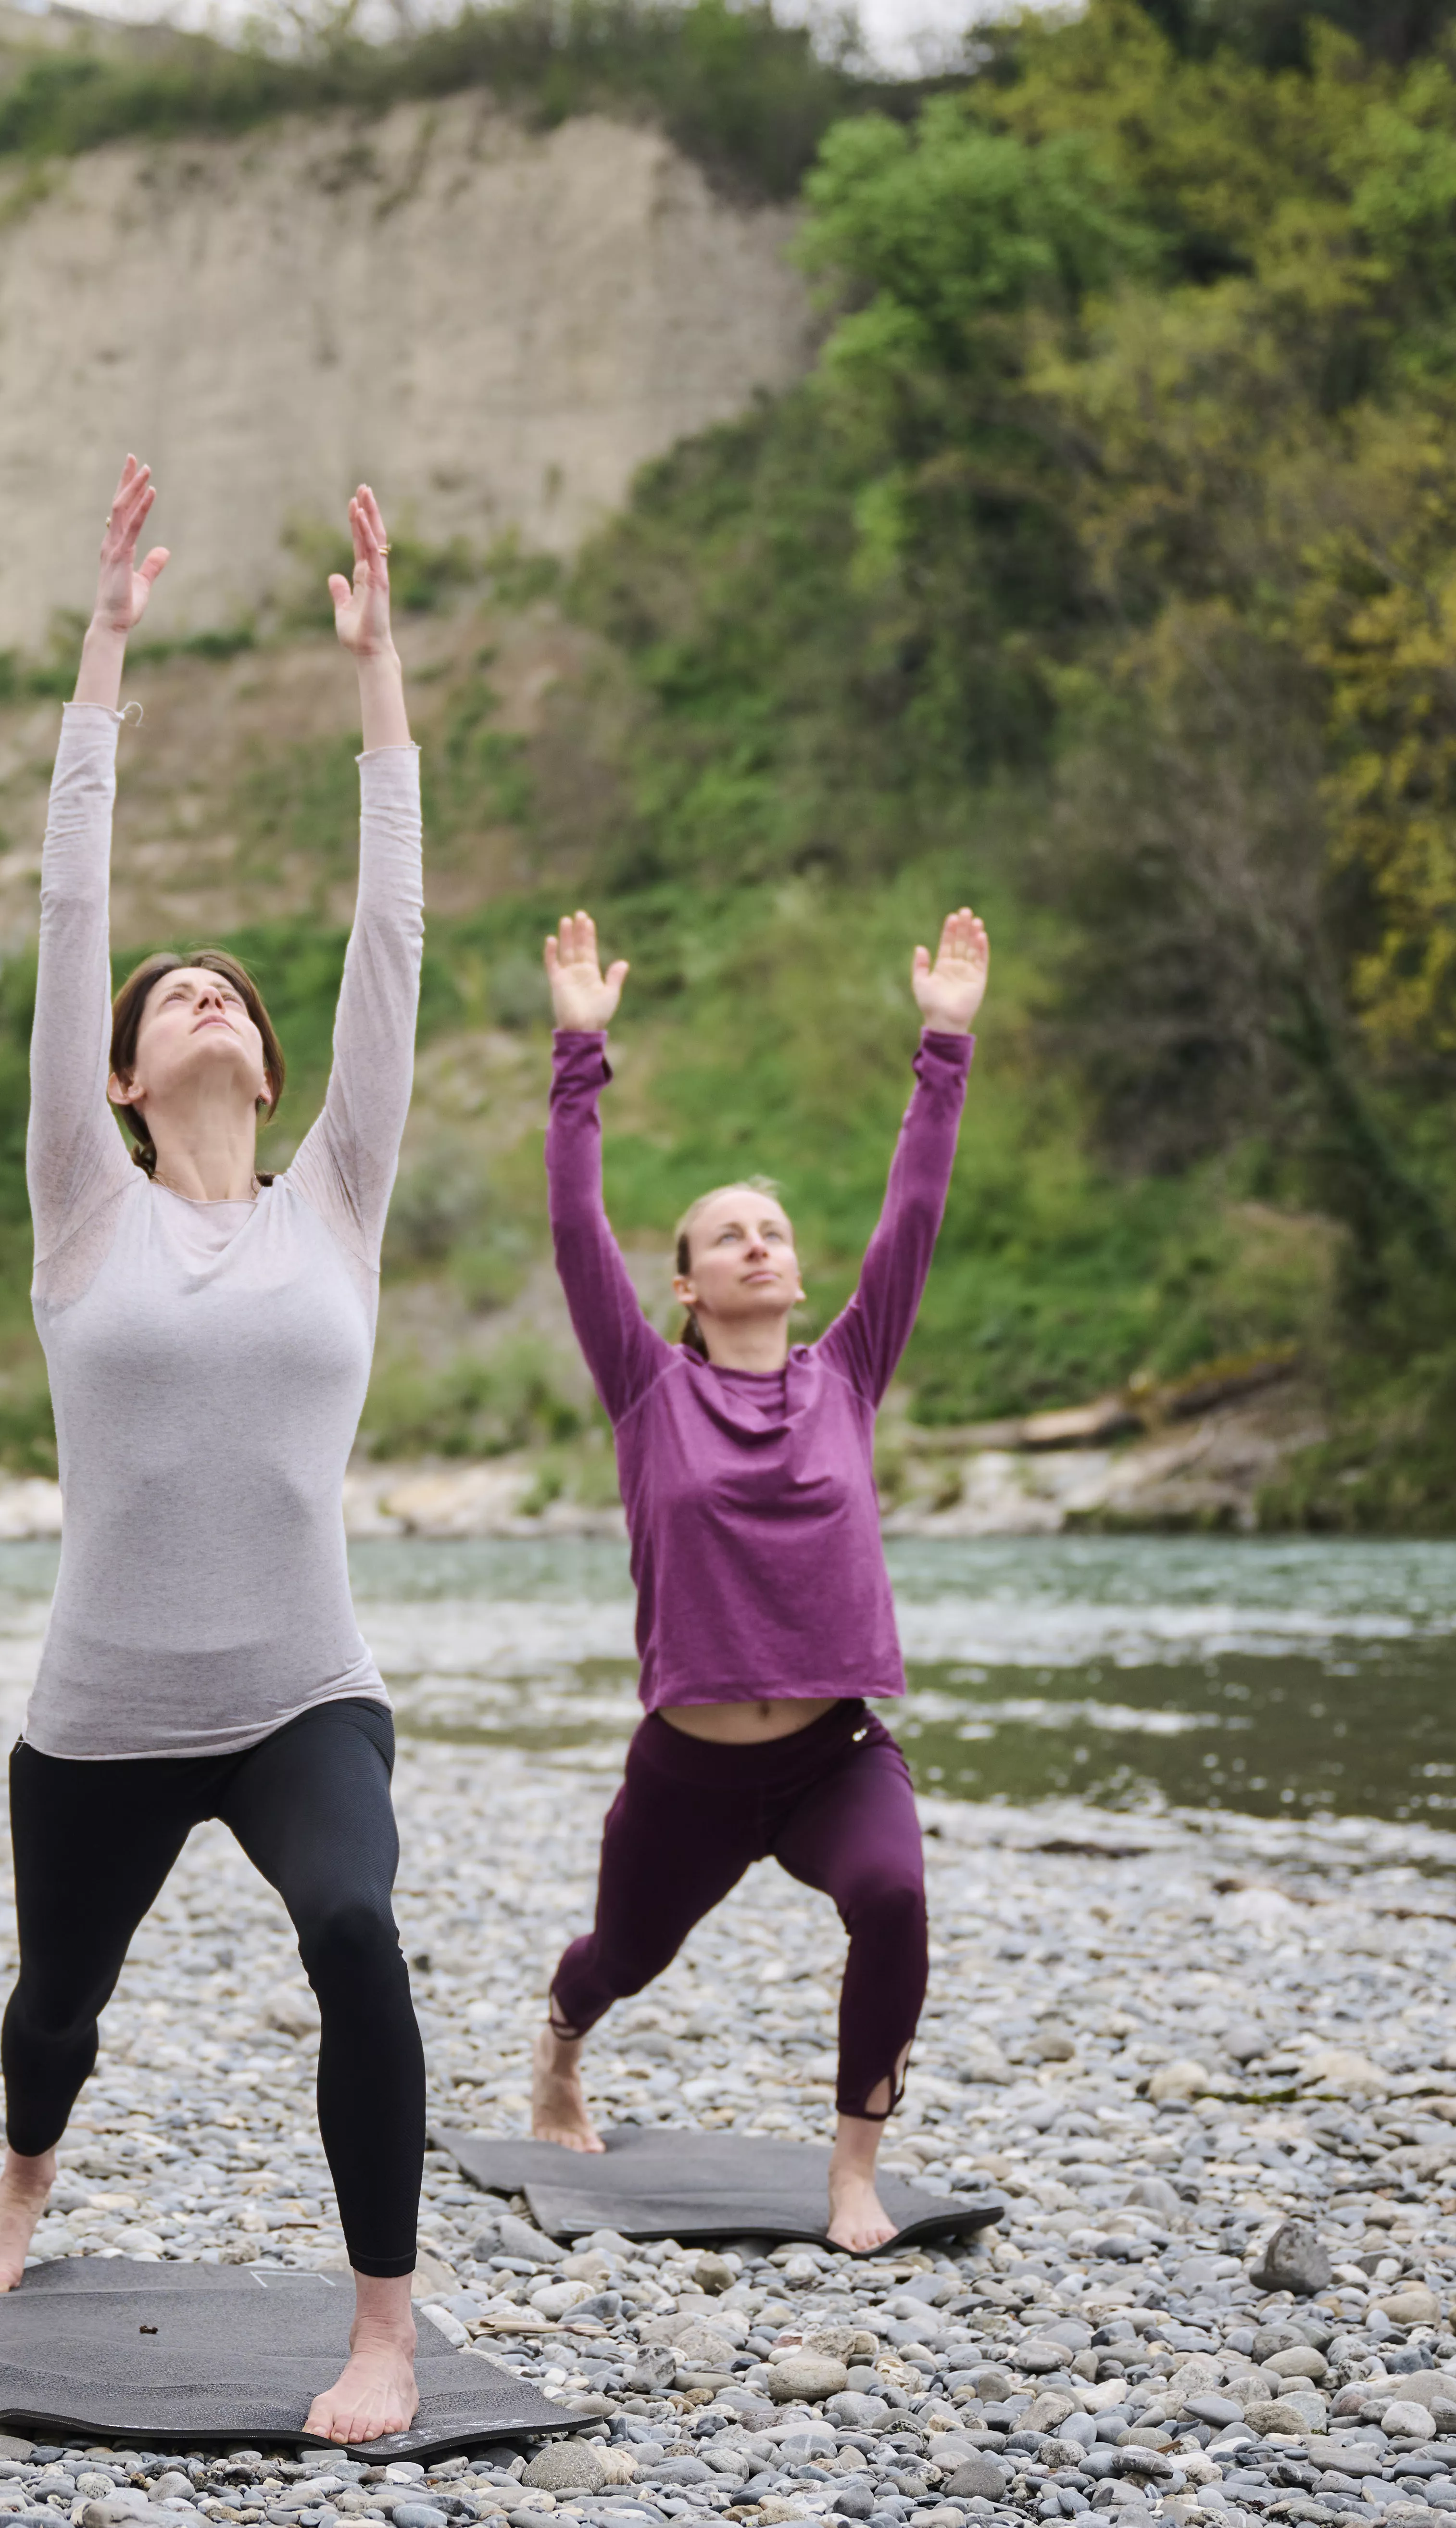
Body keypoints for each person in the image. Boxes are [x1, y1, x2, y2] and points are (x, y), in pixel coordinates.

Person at [0, 457, 427, 2443]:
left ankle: (380, 2324)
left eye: (223, 986)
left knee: (353, 1928)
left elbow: (390, 927)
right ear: (125, 1084)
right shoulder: (85, 1208)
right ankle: (23, 2172)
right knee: (55, 2006)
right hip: (101, 1711)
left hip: (302, 1690)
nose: (198, 991)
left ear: (266, 1057)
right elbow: (72, 917)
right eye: (166, 1004)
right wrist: (101, 662)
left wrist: (379, 672)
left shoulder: (334, 1202)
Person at [527, 902, 990, 2251]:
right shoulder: (646, 1389)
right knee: (623, 1959)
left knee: (895, 1898)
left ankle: (854, 2169)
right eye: (728, 1234)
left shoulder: (849, 1372)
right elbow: (573, 1225)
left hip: (835, 1749)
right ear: (682, 1285)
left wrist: (944, 1045)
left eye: (774, 1231)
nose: (758, 1245)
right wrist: (579, 1057)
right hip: (692, 1766)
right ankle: (560, 2047)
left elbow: (915, 1211)